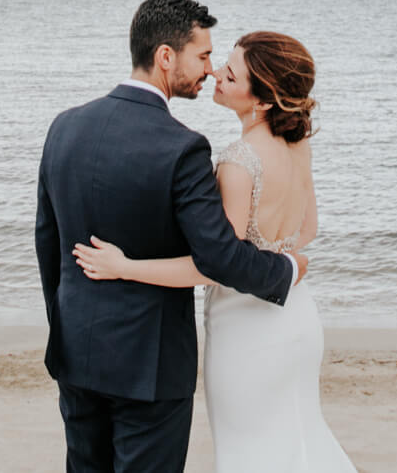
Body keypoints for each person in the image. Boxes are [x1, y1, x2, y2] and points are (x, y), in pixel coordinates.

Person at [36, 0, 309, 473]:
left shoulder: (64, 128)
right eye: (203, 56)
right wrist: (285, 269)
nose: (209, 70)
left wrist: (66, 327)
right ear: (166, 56)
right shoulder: (182, 148)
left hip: (76, 353)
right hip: (151, 369)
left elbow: (48, 244)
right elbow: (219, 256)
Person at [73, 30, 356, 473]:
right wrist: (283, 261)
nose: (216, 74)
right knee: (299, 436)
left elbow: (213, 266)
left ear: (262, 101)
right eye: (222, 63)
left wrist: (124, 266)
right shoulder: (299, 144)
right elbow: (307, 230)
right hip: (297, 319)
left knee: (248, 451)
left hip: (246, 331)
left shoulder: (238, 161)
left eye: (231, 73)